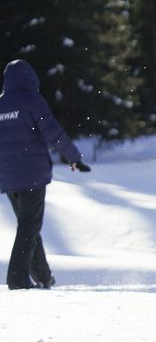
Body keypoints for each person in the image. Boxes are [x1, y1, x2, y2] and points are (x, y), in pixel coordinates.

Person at [0, 59, 91, 290]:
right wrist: (74, 158)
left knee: (28, 225)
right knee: (29, 225)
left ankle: (42, 276)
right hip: (32, 175)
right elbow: (53, 132)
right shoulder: (32, 100)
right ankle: (17, 279)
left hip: (8, 178)